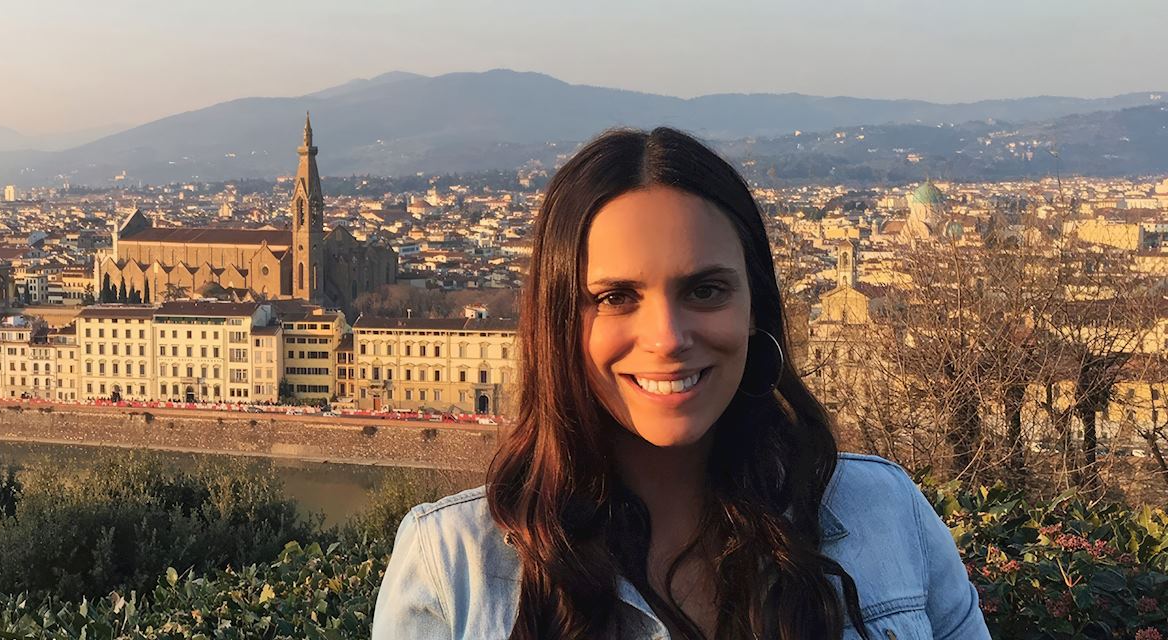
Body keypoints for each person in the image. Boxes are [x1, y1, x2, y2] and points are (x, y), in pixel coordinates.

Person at [372, 128, 987, 639]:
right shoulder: (452, 566)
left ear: (756, 310)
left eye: (706, 289)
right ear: (556, 326)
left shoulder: (886, 516)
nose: (667, 337)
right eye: (615, 297)